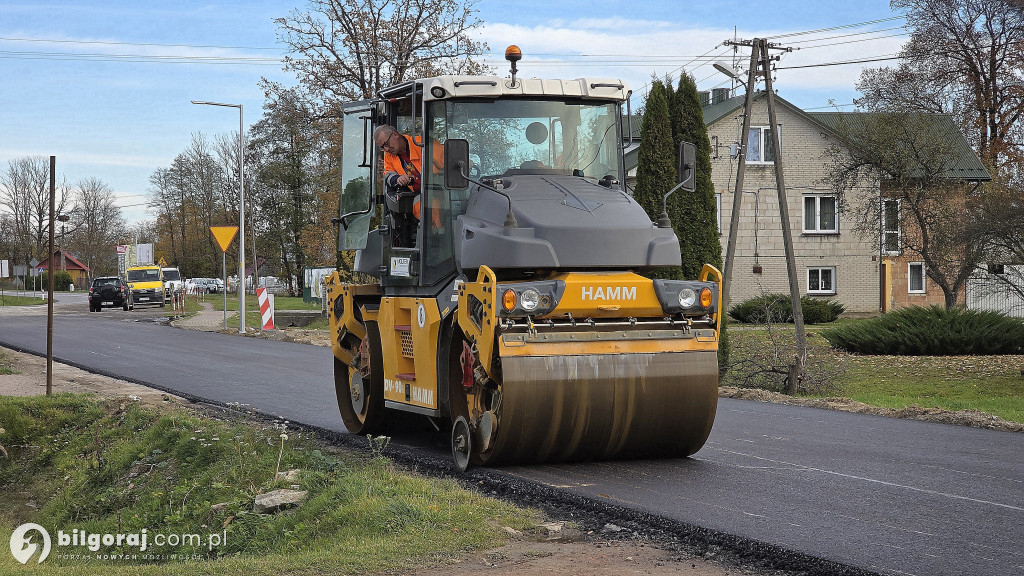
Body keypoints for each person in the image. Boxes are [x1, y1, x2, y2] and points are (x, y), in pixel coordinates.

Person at [373, 125, 445, 234]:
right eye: (382, 147)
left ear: (395, 134)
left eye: (386, 144)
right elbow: (387, 174)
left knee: (429, 204)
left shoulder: (423, 144)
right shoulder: (389, 155)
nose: (386, 149)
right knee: (418, 205)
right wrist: (398, 178)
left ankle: (440, 233)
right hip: (421, 196)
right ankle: (436, 234)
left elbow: (451, 160)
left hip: (443, 191)